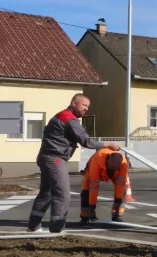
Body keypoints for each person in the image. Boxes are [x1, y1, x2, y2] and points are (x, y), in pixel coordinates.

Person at [27, 94, 122, 233]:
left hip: (47, 156)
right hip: (55, 158)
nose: (86, 109)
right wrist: (108, 144)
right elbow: (86, 141)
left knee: (46, 194)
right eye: (84, 105)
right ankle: (56, 229)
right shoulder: (69, 119)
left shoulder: (60, 116)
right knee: (62, 194)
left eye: (88, 106)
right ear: (73, 103)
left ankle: (33, 226)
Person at [79, 149, 129, 224]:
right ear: (107, 161)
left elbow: (121, 183)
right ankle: (86, 215)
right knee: (87, 189)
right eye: (112, 167)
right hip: (94, 169)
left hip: (114, 171)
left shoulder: (123, 163)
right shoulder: (97, 160)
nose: (113, 169)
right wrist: (92, 205)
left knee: (123, 189)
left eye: (115, 168)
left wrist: (119, 199)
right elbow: (94, 186)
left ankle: (117, 214)